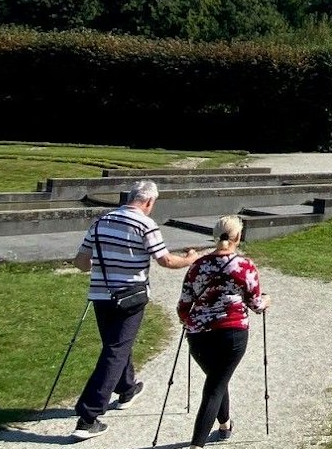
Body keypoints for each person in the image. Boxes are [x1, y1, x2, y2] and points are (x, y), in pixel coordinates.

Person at [69, 179, 203, 440]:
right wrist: (191, 259)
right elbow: (165, 260)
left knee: (116, 345)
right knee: (115, 350)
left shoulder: (100, 222)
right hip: (131, 297)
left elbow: (81, 263)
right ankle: (88, 416)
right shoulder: (145, 224)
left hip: (101, 295)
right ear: (149, 201)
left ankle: (127, 388)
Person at [178, 215, 268, 447]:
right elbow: (256, 304)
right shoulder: (244, 266)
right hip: (232, 333)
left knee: (217, 379)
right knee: (215, 385)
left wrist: (190, 322)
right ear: (238, 237)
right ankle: (197, 444)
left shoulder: (198, 265)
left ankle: (225, 424)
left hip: (199, 336)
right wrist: (267, 301)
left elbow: (184, 305)